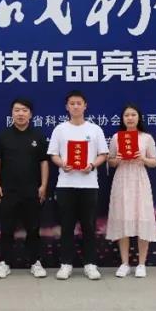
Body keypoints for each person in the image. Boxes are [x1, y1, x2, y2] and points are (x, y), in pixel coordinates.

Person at [47, 90, 109, 280]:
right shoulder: (60, 129)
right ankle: (66, 264)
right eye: (72, 103)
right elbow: (53, 154)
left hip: (89, 185)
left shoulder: (95, 129)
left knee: (89, 226)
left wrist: (92, 165)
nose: (75, 106)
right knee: (66, 226)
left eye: (79, 103)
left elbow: (103, 154)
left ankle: (90, 264)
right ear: (67, 107)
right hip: (66, 184)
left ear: (85, 106)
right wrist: (62, 163)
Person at [0, 98, 50, 278]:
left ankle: (35, 262)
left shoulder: (38, 136)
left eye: (24, 110)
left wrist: (44, 185)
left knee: (33, 228)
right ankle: (4, 262)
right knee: (7, 228)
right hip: (8, 190)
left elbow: (44, 162)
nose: (20, 114)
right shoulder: (4, 136)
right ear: (12, 113)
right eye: (17, 110)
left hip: (32, 190)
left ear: (30, 114)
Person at [106, 104, 156, 278]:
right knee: (123, 219)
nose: (130, 118)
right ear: (122, 119)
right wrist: (116, 159)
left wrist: (143, 158)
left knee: (142, 218)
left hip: (139, 180)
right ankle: (125, 263)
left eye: (133, 114)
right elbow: (110, 161)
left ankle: (141, 264)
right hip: (122, 180)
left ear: (138, 117)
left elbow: (154, 162)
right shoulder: (116, 137)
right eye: (126, 115)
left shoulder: (146, 138)